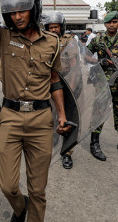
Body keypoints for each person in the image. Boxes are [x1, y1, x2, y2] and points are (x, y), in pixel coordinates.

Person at [0, 0, 70, 222]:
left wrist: (61, 115)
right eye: (12, 12)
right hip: (11, 117)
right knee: (7, 185)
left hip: (41, 120)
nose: (17, 16)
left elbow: (54, 81)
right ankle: (20, 208)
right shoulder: (3, 38)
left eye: (22, 10)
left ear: (34, 9)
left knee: (38, 190)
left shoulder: (52, 42)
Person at [87, 11, 118, 161]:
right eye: (109, 22)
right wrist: (98, 61)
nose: (112, 25)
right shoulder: (98, 40)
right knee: (99, 112)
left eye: (115, 22)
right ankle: (94, 144)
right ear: (105, 24)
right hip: (102, 83)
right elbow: (85, 55)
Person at [42, 10, 76, 169]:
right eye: (51, 27)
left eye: (56, 27)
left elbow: (75, 63)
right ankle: (50, 146)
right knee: (48, 116)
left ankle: (67, 152)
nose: (54, 29)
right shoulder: (42, 40)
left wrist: (74, 85)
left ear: (61, 27)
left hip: (67, 82)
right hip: (48, 83)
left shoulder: (70, 40)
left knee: (67, 118)